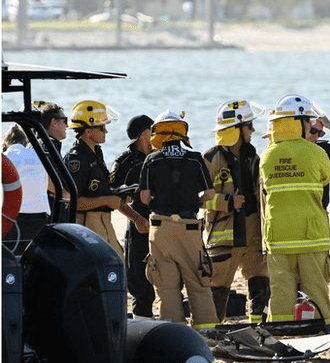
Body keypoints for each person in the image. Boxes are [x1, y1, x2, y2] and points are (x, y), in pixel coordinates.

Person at [259, 94, 330, 331]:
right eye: (308, 122)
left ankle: (281, 330)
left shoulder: (267, 155)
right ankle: (320, 328)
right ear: (299, 122)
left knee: (281, 290)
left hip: (279, 236)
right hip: (310, 235)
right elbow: (326, 176)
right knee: (316, 289)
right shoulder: (315, 152)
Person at [138, 111, 218, 329]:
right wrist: (195, 201)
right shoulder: (194, 158)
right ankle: (207, 329)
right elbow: (209, 194)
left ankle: (174, 329)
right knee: (198, 281)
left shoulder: (151, 159)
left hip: (160, 228)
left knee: (166, 286)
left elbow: (144, 197)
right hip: (189, 227)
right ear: (182, 132)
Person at [203, 99, 269, 323]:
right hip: (224, 233)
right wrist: (227, 202)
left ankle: (259, 325)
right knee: (218, 287)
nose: (252, 130)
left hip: (253, 230)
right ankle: (212, 329)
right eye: (249, 126)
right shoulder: (210, 159)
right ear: (237, 129)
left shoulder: (254, 157)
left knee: (260, 281)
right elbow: (197, 199)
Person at [64, 99, 136, 257]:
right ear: (88, 132)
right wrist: (105, 200)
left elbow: (101, 191)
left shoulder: (96, 153)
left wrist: (121, 197)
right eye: (102, 127)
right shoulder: (76, 160)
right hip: (87, 228)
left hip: (101, 224)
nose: (106, 131)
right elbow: (72, 202)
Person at [109, 115, 154, 317]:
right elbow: (112, 196)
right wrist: (135, 217)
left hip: (163, 224)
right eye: (152, 130)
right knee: (138, 279)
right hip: (138, 225)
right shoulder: (124, 162)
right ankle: (142, 321)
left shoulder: (161, 155)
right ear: (144, 134)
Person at [2, 125, 50, 253]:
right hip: (41, 217)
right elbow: (46, 184)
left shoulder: (5, 158)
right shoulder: (39, 156)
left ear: (6, 143)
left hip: (13, 219)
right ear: (25, 141)